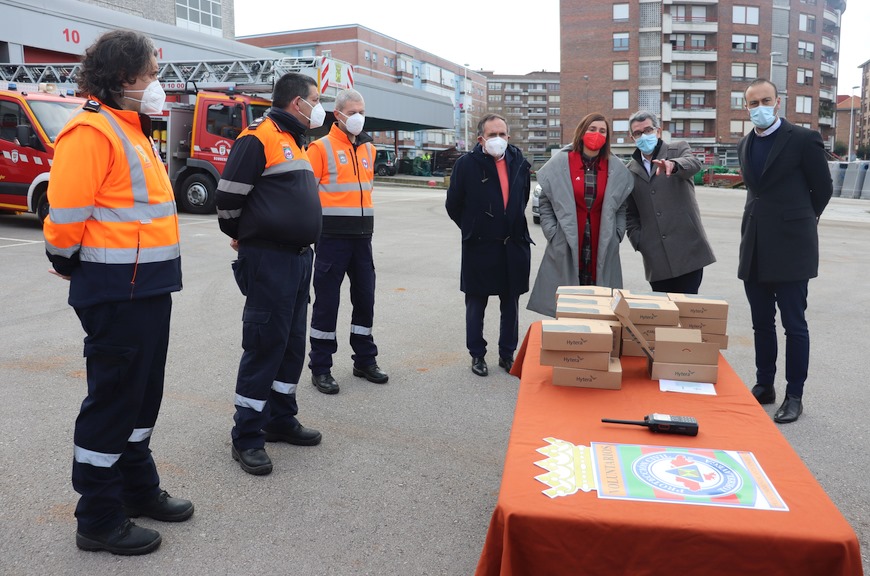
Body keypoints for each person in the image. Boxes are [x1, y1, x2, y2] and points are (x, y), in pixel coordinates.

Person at [43, 30, 192, 556]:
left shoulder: (131, 129)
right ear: (124, 76)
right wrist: (66, 261)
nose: (157, 83)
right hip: (115, 292)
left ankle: (135, 487)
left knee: (142, 396)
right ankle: (99, 518)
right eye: (151, 74)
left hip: (148, 289)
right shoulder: (91, 131)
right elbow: (64, 219)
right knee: (113, 401)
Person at [216, 72, 324, 476]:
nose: (319, 105)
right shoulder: (258, 136)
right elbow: (227, 200)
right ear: (298, 102)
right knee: (264, 345)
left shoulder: (296, 140)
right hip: (269, 260)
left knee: (292, 342)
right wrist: (246, 235)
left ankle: (280, 418)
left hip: (298, 259)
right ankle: (246, 436)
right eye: (316, 98)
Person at [737, 79, 832, 424]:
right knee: (761, 322)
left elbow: (822, 189)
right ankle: (765, 384)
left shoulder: (803, 139)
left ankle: (794, 394)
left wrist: (801, 221)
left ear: (778, 102)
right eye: (753, 103)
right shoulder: (744, 144)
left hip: (792, 247)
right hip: (755, 246)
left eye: (766, 100)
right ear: (746, 108)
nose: (760, 107)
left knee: (794, 324)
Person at [306, 88, 388, 394]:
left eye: (362, 112)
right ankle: (321, 367)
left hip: (362, 240)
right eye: (353, 113)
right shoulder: (320, 148)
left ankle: (364, 359)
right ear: (338, 115)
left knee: (365, 300)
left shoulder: (369, 149)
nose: (359, 118)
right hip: (331, 240)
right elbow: (306, 196)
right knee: (327, 304)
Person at [446, 113, 533, 376]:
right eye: (492, 135)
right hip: (480, 245)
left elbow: (523, 198)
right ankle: (477, 355)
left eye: (502, 134)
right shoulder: (466, 164)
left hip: (513, 244)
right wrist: (474, 228)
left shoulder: (519, 162)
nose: (498, 139)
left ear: (509, 136)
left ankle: (508, 354)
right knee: (476, 303)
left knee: (511, 302)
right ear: (481, 138)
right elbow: (453, 205)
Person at [527, 113, 633, 317]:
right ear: (582, 132)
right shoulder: (561, 163)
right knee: (568, 301)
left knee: (599, 302)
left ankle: (594, 343)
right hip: (567, 240)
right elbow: (545, 199)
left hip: (601, 241)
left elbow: (621, 205)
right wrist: (551, 232)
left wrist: (617, 233)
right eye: (592, 129)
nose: (597, 134)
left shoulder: (615, 167)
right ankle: (571, 341)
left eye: (602, 131)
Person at [625, 110, 716, 294]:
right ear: (632, 137)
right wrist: (639, 240)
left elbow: (693, 163)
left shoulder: (677, 149)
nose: (644, 136)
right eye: (638, 133)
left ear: (658, 131)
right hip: (655, 256)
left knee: (687, 312)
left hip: (688, 251)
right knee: (664, 315)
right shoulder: (629, 170)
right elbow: (630, 213)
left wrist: (674, 165)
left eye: (648, 130)